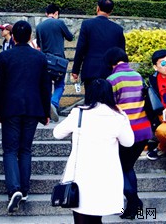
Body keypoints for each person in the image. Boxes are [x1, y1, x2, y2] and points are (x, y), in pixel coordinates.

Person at [53, 79, 134, 224]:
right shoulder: (118, 116)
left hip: (82, 174)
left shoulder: (79, 113)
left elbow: (57, 133)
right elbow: (128, 142)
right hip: (106, 174)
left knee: (81, 215)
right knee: (97, 216)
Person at [0, 20, 52, 214]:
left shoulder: (5, 57)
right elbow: (45, 87)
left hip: (10, 109)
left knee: (10, 150)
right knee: (25, 150)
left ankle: (14, 190)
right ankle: (24, 190)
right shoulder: (40, 58)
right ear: (29, 37)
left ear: (14, 37)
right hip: (33, 109)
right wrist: (45, 113)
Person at [105, 47, 152, 220]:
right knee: (128, 166)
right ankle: (132, 208)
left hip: (125, 131)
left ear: (111, 62)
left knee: (119, 168)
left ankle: (134, 200)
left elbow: (110, 107)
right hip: (143, 130)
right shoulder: (138, 76)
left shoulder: (112, 79)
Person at [71, 0, 125, 95]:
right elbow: (122, 54)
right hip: (110, 73)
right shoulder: (118, 29)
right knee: (108, 103)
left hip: (90, 71)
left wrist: (75, 70)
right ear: (111, 11)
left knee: (90, 102)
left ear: (97, 8)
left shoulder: (87, 25)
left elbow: (81, 49)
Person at [35, 3, 74, 122]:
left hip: (45, 60)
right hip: (58, 61)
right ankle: (53, 103)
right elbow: (70, 37)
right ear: (56, 13)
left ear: (46, 13)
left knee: (46, 86)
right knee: (60, 85)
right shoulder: (59, 23)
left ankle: (46, 113)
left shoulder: (39, 26)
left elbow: (38, 45)